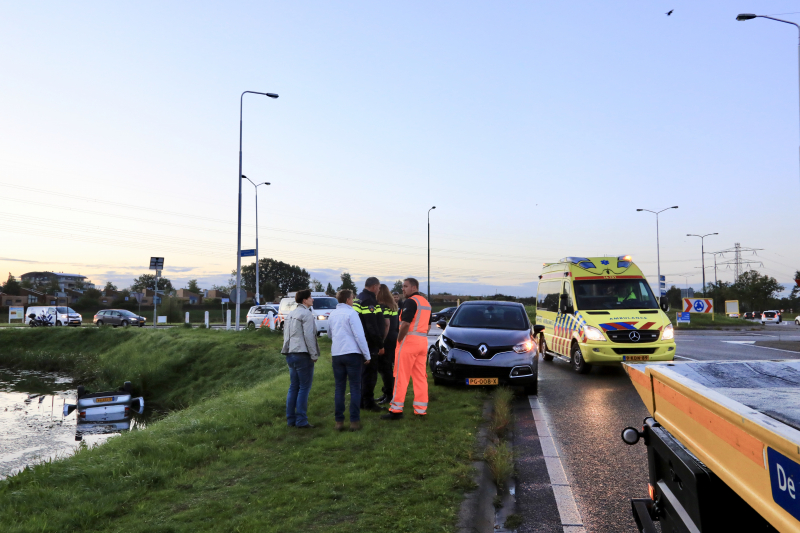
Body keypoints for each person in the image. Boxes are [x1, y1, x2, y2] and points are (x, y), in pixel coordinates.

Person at [382, 278, 432, 421]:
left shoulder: (410, 302)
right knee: (420, 377)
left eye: (405, 286)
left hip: (408, 341)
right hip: (422, 341)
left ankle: (396, 410)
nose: (403, 289)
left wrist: (399, 339)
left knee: (400, 376)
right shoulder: (426, 303)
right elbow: (428, 326)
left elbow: (405, 324)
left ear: (413, 287)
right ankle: (421, 409)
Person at [328, 289, 371, 431]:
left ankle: (339, 422)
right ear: (348, 300)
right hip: (352, 353)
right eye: (352, 298)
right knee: (354, 387)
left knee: (339, 387)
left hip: (337, 354)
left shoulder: (332, 314)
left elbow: (329, 334)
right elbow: (359, 335)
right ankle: (354, 421)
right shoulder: (352, 313)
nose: (353, 300)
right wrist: (367, 354)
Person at [281, 289, 320, 429]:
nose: (312, 300)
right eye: (310, 297)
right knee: (304, 388)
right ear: (304, 300)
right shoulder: (306, 314)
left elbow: (286, 335)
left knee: (293, 387)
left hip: (290, 353)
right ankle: (302, 421)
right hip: (302, 354)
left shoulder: (291, 314)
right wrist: (314, 354)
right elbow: (309, 337)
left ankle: (290, 419)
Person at [353, 277, 386, 412]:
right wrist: (380, 344)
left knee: (363, 374)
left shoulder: (359, 298)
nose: (379, 290)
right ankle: (369, 402)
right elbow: (371, 325)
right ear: (373, 286)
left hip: (361, 341)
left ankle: (361, 401)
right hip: (370, 343)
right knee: (370, 375)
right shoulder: (369, 300)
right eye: (378, 287)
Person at [376, 284, 399, 404]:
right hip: (394, 337)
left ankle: (389, 394)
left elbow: (386, 324)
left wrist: (381, 343)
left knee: (384, 368)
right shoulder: (393, 306)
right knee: (388, 367)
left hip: (387, 339)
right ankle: (388, 392)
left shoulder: (383, 307)